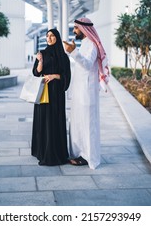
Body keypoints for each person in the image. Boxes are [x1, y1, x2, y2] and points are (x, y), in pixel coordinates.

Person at [63, 17, 109, 169]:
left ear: (84, 29)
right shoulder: (84, 44)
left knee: (88, 125)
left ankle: (89, 157)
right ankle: (79, 154)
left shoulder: (92, 44)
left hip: (87, 93)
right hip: (79, 92)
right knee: (78, 124)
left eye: (76, 28)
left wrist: (73, 52)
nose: (74, 30)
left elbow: (88, 64)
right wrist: (74, 51)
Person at [31, 28, 71, 166]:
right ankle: (42, 151)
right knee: (44, 120)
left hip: (56, 93)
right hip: (43, 91)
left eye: (52, 36)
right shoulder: (42, 53)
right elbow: (36, 73)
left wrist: (54, 76)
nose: (49, 38)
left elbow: (67, 76)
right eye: (47, 36)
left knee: (54, 120)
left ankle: (56, 152)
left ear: (57, 38)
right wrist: (40, 61)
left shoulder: (63, 56)